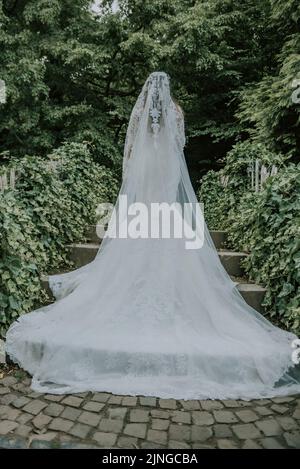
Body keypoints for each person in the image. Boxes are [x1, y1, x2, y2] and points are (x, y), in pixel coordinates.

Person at [6, 72, 300, 399]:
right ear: (168, 88)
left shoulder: (139, 112)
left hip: (144, 190)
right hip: (165, 187)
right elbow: (181, 146)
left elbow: (130, 152)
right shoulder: (177, 112)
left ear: (147, 89)